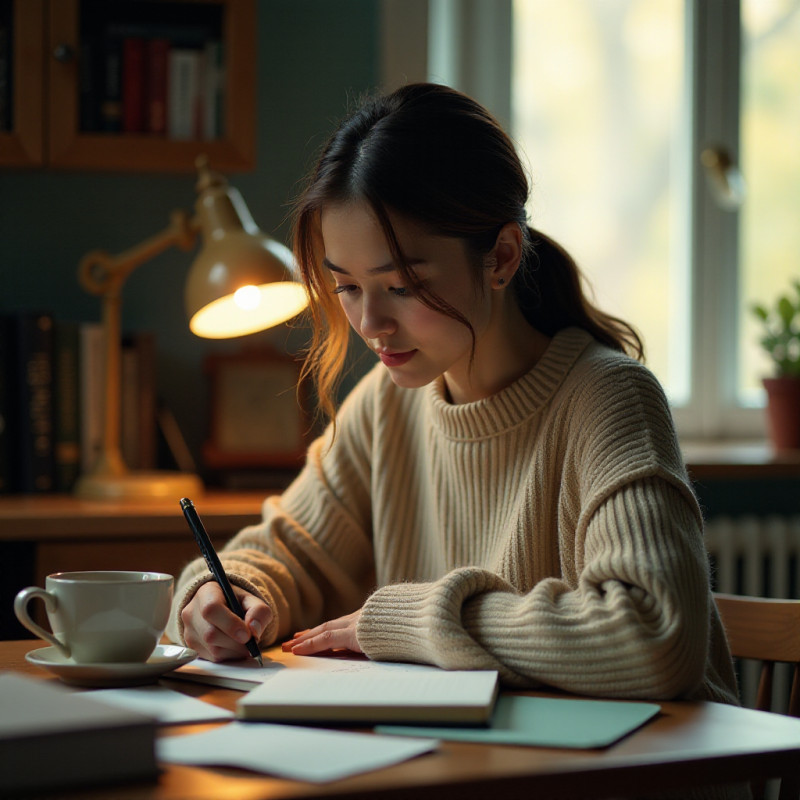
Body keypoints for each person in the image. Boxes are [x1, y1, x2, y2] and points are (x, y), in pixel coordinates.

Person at [167, 83, 738, 710]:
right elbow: (282, 552)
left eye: (403, 285)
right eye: (349, 287)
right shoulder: (385, 407)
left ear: (500, 257)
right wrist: (221, 595)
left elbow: (654, 634)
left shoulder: (608, 399)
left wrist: (408, 623)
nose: (370, 324)